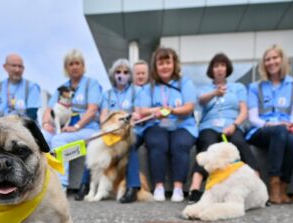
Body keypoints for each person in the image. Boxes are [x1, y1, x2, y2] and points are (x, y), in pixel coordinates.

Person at [187, 53, 260, 204]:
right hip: (209, 126)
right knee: (206, 145)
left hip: (231, 125)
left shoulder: (238, 87)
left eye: (223, 65)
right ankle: (195, 188)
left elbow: (243, 110)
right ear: (211, 70)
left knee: (240, 144)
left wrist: (234, 125)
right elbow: (201, 100)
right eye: (216, 66)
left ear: (227, 68)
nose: (219, 69)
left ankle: (258, 188)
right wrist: (215, 92)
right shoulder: (204, 88)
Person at [74, 59, 143, 203]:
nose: (121, 75)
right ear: (113, 74)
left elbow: (138, 113)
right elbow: (103, 116)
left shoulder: (135, 92)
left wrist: (132, 119)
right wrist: (108, 127)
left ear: (129, 75)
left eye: (125, 72)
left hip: (128, 131)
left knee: (131, 147)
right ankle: (85, 184)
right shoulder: (107, 94)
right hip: (109, 130)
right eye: (118, 72)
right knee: (94, 148)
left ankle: (132, 187)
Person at [135, 47, 198, 202]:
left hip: (182, 124)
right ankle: (159, 186)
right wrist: (156, 110)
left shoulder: (185, 83)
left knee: (180, 144)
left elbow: (189, 107)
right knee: (157, 143)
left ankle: (178, 187)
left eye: (168, 62)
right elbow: (142, 110)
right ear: (155, 66)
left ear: (174, 63)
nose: (164, 66)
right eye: (160, 63)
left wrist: (172, 111)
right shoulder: (149, 87)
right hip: (157, 125)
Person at [247, 44, 293, 204]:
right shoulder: (255, 87)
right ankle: (274, 185)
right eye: (267, 59)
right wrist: (275, 125)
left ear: (283, 60)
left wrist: (291, 124)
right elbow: (253, 118)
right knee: (280, 131)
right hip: (261, 130)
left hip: (286, 128)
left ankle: (284, 187)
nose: (271, 62)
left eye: (275, 58)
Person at [41, 49, 102, 189]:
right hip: (63, 128)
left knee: (58, 140)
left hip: (87, 129)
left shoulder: (91, 84)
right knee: (42, 137)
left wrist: (76, 127)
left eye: (77, 63)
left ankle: (60, 186)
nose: (74, 67)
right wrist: (45, 123)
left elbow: (92, 110)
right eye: (71, 64)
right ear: (66, 67)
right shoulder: (62, 88)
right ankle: (41, 185)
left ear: (83, 65)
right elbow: (49, 110)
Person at [0, 53, 41, 121]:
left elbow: (32, 115)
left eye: (20, 66)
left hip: (24, 127)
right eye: (14, 66)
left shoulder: (32, 86)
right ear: (5, 67)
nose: (17, 70)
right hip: (2, 127)